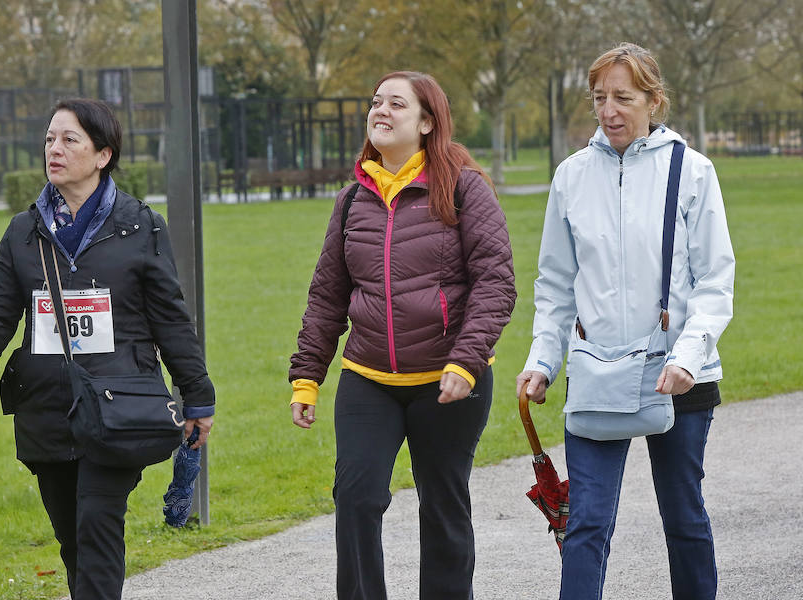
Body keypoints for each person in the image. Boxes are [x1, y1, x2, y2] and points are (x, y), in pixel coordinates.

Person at [0, 98, 215, 599]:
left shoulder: (140, 226)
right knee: (72, 538)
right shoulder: (24, 233)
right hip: (46, 409)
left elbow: (170, 317)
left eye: (70, 140)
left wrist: (197, 395)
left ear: (103, 154)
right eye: (49, 139)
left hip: (118, 407)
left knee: (97, 526)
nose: (55, 149)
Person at [517, 43, 735, 600]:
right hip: (597, 372)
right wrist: (543, 360)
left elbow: (715, 281)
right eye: (599, 98)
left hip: (679, 374)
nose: (609, 110)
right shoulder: (570, 176)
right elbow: (556, 283)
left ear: (653, 101)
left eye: (623, 97)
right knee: (586, 521)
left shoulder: (693, 172)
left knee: (683, 516)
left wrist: (688, 358)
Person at [289, 71, 517, 599]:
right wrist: (307, 378)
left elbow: (495, 282)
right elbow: (327, 297)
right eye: (376, 102)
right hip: (369, 378)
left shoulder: (463, 187)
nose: (381, 111)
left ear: (427, 121)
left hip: (449, 380)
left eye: (396, 103)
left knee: (443, 504)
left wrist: (465, 361)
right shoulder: (352, 201)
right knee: (357, 496)